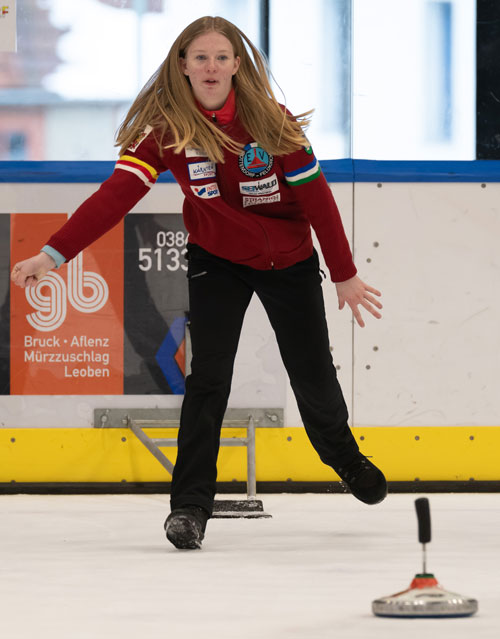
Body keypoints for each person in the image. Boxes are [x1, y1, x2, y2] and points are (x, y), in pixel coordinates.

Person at [11, 16, 386, 550]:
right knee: (208, 379)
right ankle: (189, 507)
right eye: (201, 57)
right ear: (182, 65)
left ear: (237, 65)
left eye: (221, 57)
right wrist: (53, 254)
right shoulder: (167, 130)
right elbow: (114, 197)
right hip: (217, 260)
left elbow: (318, 199)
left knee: (312, 373)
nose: (211, 67)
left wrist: (344, 273)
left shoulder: (272, 122)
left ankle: (343, 457)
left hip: (288, 261)